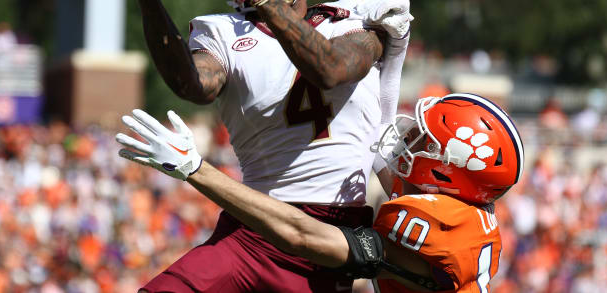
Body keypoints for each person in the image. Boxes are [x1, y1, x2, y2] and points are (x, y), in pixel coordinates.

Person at [128, 0, 413, 293]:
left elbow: (331, 68)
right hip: (255, 229)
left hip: (332, 237)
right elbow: (193, 85)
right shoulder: (225, 33)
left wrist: (267, 0)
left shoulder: (356, 17)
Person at [116, 92, 525, 292]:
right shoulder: (465, 212)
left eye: (422, 140)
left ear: (450, 169)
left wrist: (196, 170)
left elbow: (303, 236)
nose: (406, 139)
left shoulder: (435, 227)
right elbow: (376, 139)